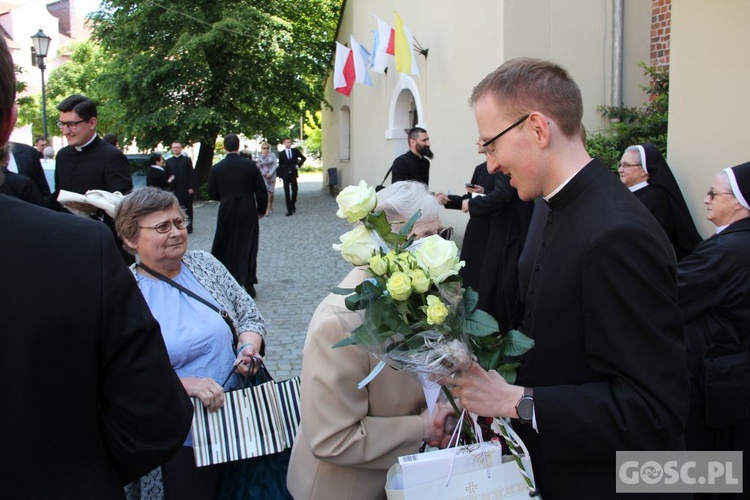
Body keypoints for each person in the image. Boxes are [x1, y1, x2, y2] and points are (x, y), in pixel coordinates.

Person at [449, 58, 689, 498]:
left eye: (490, 146)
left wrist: (517, 401)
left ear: (538, 129)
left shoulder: (618, 234)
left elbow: (656, 411)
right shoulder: (544, 204)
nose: (492, 164)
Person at [0, 35, 193, 497]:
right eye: (60, 125)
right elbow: (153, 416)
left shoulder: (111, 157)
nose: (65, 132)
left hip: (92, 245)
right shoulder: (62, 159)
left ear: (91, 124)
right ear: (10, 120)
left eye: (71, 124)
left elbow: (128, 205)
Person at [287, 181, 454, 500]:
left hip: (410, 478)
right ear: (383, 242)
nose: (436, 248)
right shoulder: (339, 322)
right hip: (349, 488)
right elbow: (331, 437)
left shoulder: (424, 294)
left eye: (441, 235)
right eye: (422, 238)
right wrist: (424, 427)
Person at [115, 186, 267, 499]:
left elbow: (249, 316)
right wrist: (186, 384)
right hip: (178, 438)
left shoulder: (205, 265)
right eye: (161, 227)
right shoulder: (124, 293)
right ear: (131, 239)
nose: (175, 232)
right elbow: (120, 375)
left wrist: (248, 347)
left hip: (237, 422)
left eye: (178, 223)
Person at [677, 162, 750, 498]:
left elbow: (671, 294)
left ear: (739, 202)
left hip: (712, 376)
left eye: (713, 193)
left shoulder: (728, 250)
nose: (705, 200)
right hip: (730, 371)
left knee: (705, 468)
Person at [208, 133, 268, 298]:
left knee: (226, 243)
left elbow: (212, 193)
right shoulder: (249, 166)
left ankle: (227, 280)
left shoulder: (217, 168)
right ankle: (248, 281)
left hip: (227, 208)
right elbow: (261, 190)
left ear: (224, 147)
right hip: (247, 208)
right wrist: (261, 209)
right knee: (248, 243)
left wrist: (226, 197)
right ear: (238, 145)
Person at [619, 143, 702, 260]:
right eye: (621, 165)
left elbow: (656, 239)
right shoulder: (628, 194)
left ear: (643, 170)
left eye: (626, 165)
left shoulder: (656, 198)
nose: (620, 170)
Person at [165, 141, 195, 233]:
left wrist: (191, 187)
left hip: (185, 188)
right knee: (175, 208)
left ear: (181, 148)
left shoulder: (186, 160)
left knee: (187, 208)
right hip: (174, 189)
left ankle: (189, 226)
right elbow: (166, 175)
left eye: (177, 147)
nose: (175, 149)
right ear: (171, 149)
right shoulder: (169, 161)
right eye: (174, 147)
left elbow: (191, 174)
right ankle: (177, 225)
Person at [276, 136, 305, 216]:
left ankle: (292, 204)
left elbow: (303, 158)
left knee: (295, 191)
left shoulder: (295, 151)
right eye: (287, 142)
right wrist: (280, 175)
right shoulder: (281, 153)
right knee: (287, 193)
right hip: (285, 175)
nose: (289, 143)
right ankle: (289, 210)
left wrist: (298, 165)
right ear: (284, 143)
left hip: (293, 174)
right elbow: (280, 165)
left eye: (290, 142)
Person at [256, 141, 277, 215]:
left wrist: (270, 173)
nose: (265, 149)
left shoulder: (272, 155)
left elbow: (275, 165)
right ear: (261, 149)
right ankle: (267, 209)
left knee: (271, 193)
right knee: (267, 192)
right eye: (264, 148)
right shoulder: (259, 157)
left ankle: (271, 205)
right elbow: (258, 167)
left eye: (267, 148)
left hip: (272, 175)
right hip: (263, 176)